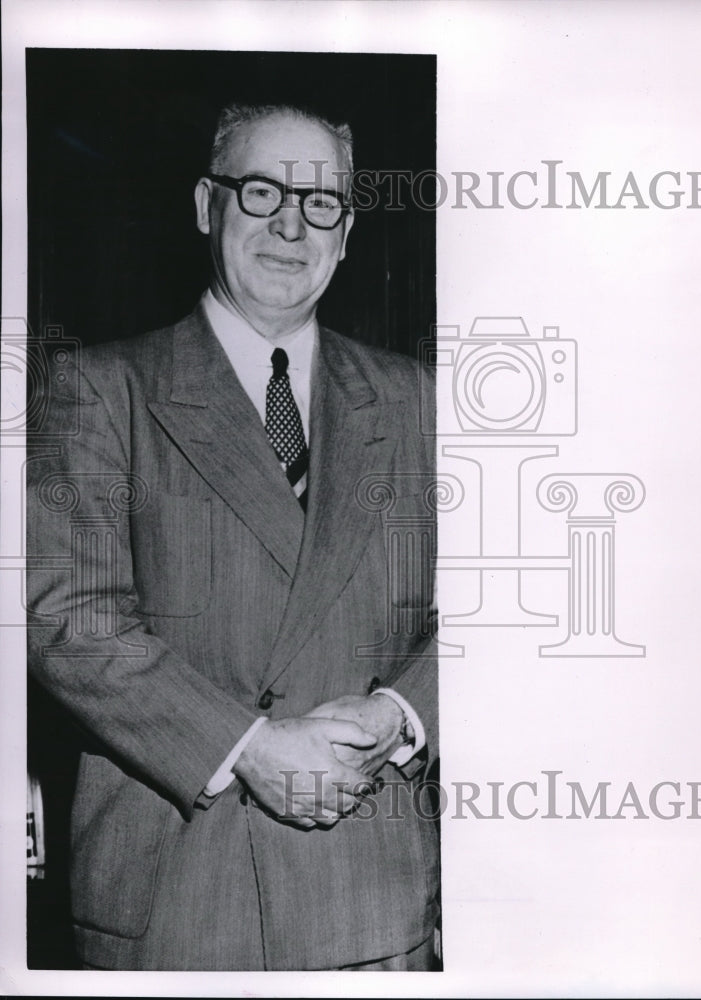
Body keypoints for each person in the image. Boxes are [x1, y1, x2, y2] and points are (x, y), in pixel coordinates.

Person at [26, 103, 438, 971]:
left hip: (371, 892)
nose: (292, 223)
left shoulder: (417, 400)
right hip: (180, 890)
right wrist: (250, 747)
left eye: (321, 201)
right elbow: (69, 618)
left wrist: (398, 715)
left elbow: (489, 612)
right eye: (261, 191)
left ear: (349, 231)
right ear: (207, 207)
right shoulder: (103, 389)